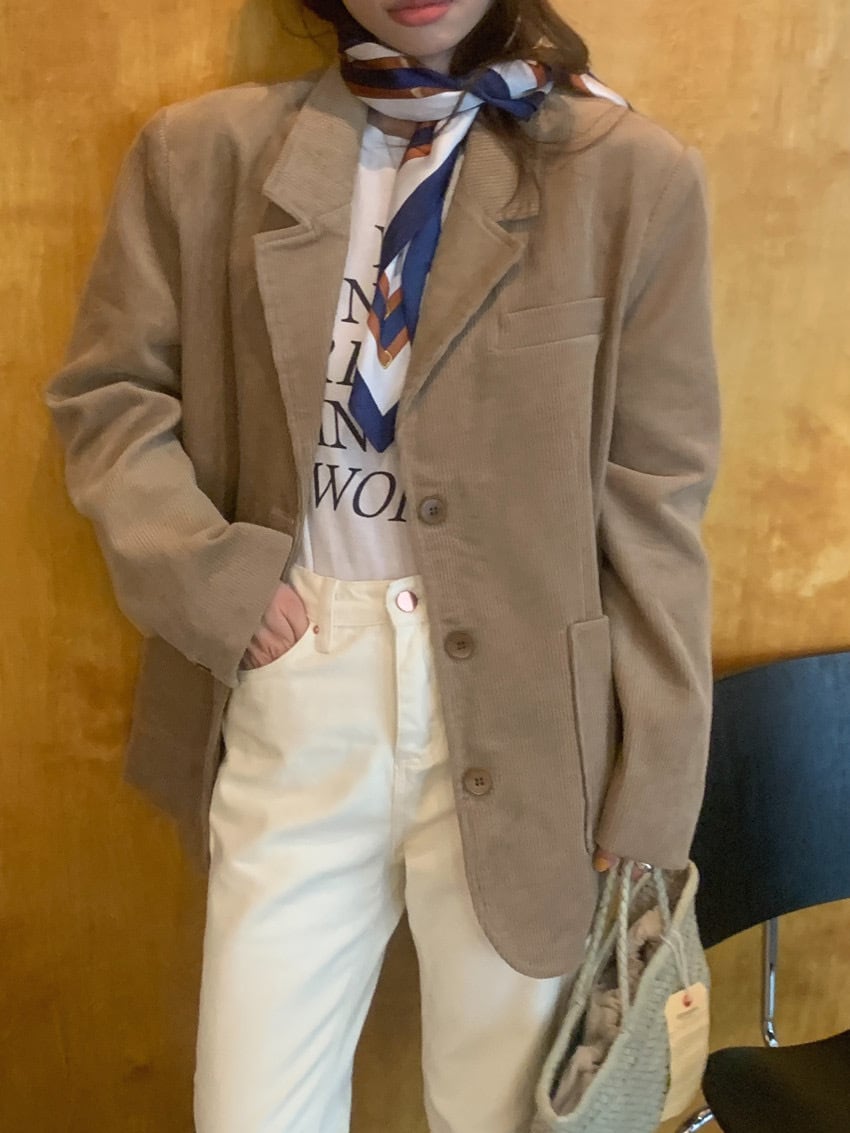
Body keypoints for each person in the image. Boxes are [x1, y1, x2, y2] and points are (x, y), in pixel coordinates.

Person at [45, 0, 721, 1125]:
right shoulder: (203, 155)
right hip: (296, 683)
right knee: (252, 1109)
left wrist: (653, 775)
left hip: (534, 717)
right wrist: (213, 582)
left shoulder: (628, 173)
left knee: (505, 1109)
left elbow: (656, 489)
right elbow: (107, 400)